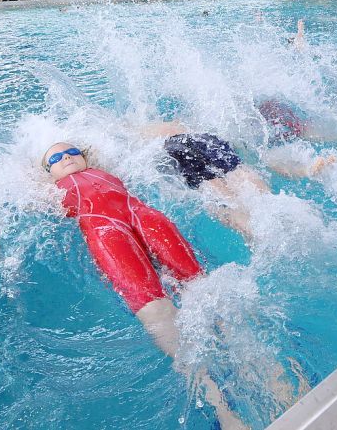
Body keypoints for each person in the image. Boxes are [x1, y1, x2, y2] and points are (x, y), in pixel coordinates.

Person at [40, 143, 246, 430]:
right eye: (56, 158)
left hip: (144, 216)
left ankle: (254, 364)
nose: (67, 158)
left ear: (85, 155)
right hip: (106, 233)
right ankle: (221, 408)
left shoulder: (104, 169)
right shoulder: (48, 190)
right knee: (156, 311)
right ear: (48, 171)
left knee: (199, 286)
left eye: (72, 151)